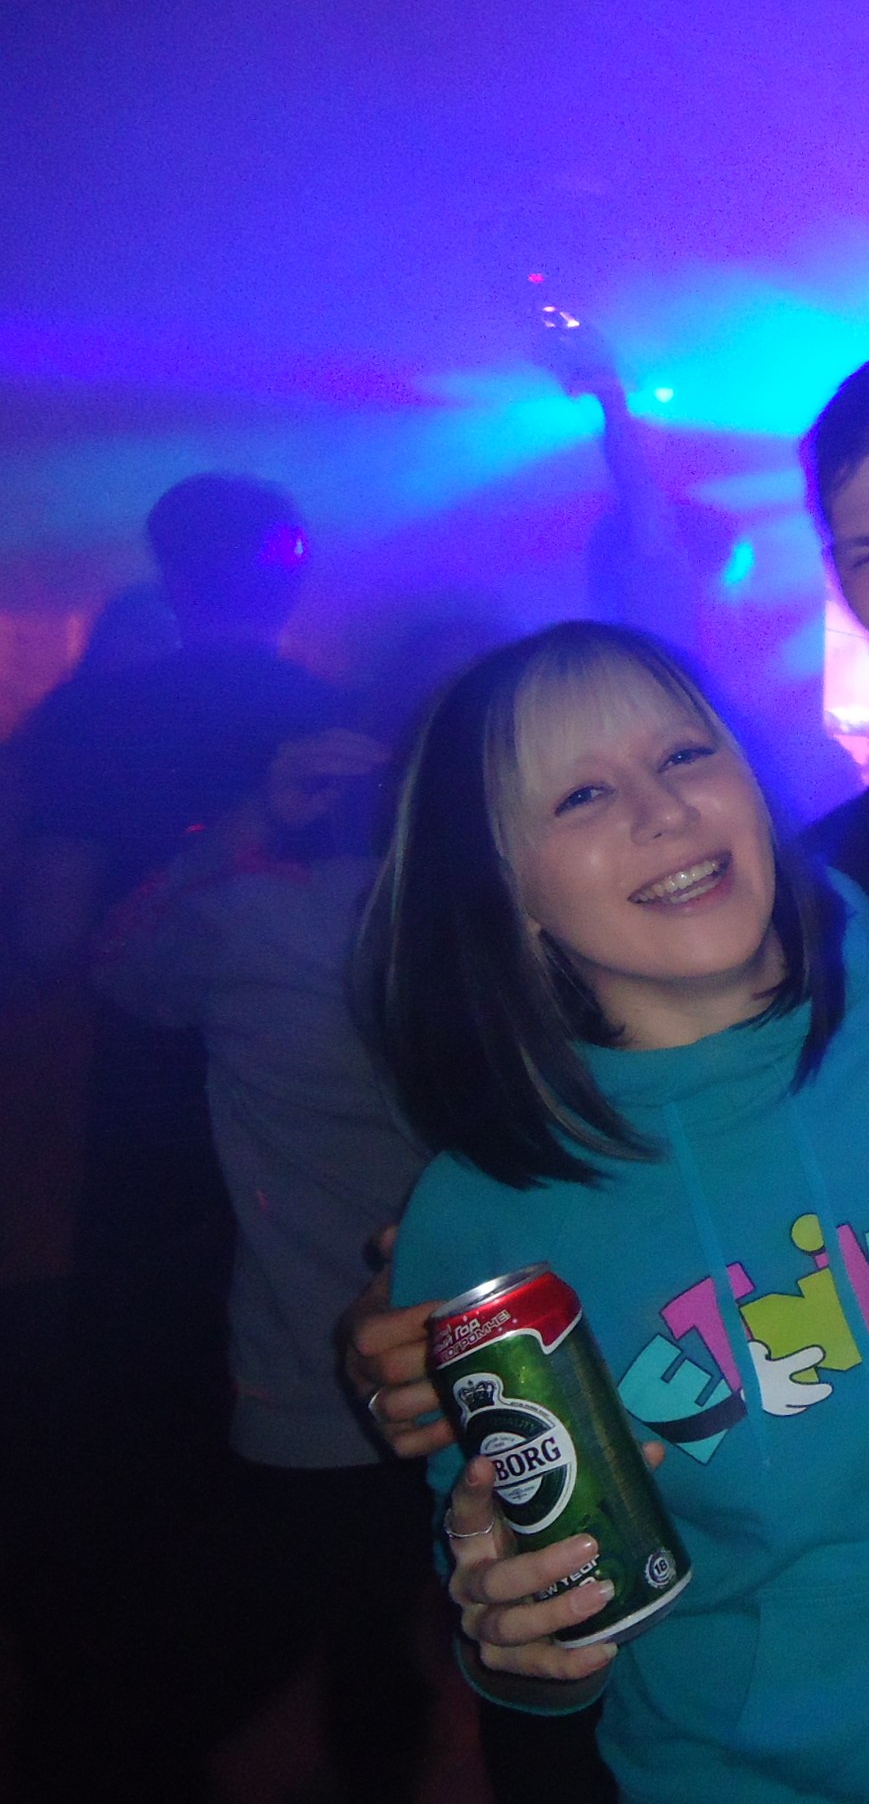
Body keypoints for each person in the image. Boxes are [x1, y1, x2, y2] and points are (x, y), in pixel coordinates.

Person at [370, 619, 869, 1804]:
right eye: (584, 795)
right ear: (506, 890)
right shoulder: (477, 1219)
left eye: (685, 756)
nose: (664, 812)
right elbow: (536, 1640)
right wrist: (521, 1649)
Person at [4, 472, 341, 1802]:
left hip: (127, 1124)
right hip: (300, 1131)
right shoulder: (331, 722)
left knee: (128, 1453)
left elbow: (46, 935)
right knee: (271, 1444)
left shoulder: (93, 716)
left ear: (167, 567)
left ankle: (120, 1741)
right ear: (293, 568)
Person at [90, 720, 435, 1800]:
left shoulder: (268, 916)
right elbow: (121, 967)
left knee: (342, 1641)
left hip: (352, 1359)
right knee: (354, 1637)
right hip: (372, 1357)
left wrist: (244, 829)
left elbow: (120, 963)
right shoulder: (475, 918)